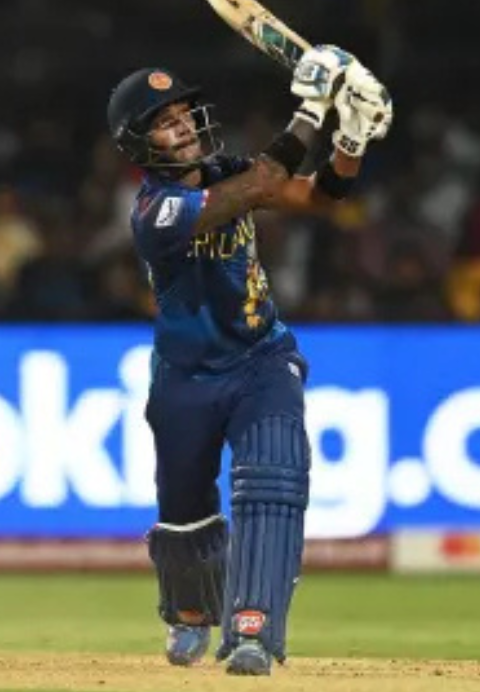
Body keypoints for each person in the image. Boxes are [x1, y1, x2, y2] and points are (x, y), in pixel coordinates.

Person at [106, 49, 392, 675]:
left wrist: (351, 137)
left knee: (273, 479)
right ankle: (190, 613)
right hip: (184, 378)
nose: (183, 126)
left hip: (262, 359)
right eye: (164, 122)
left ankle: (253, 630)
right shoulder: (155, 212)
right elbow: (262, 184)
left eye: (184, 113)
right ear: (140, 145)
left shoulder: (227, 170)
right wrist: (311, 108)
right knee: (184, 513)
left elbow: (321, 195)